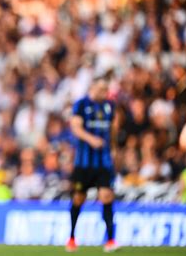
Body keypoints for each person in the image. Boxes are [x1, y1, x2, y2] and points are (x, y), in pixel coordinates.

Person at [66, 78, 119, 253]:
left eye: (106, 89)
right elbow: (75, 127)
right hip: (84, 164)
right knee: (79, 198)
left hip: (104, 163)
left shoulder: (109, 106)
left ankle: (111, 240)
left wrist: (113, 148)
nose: (105, 92)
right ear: (92, 88)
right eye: (101, 88)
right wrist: (91, 139)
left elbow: (112, 129)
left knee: (106, 196)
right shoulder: (81, 104)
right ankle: (72, 237)